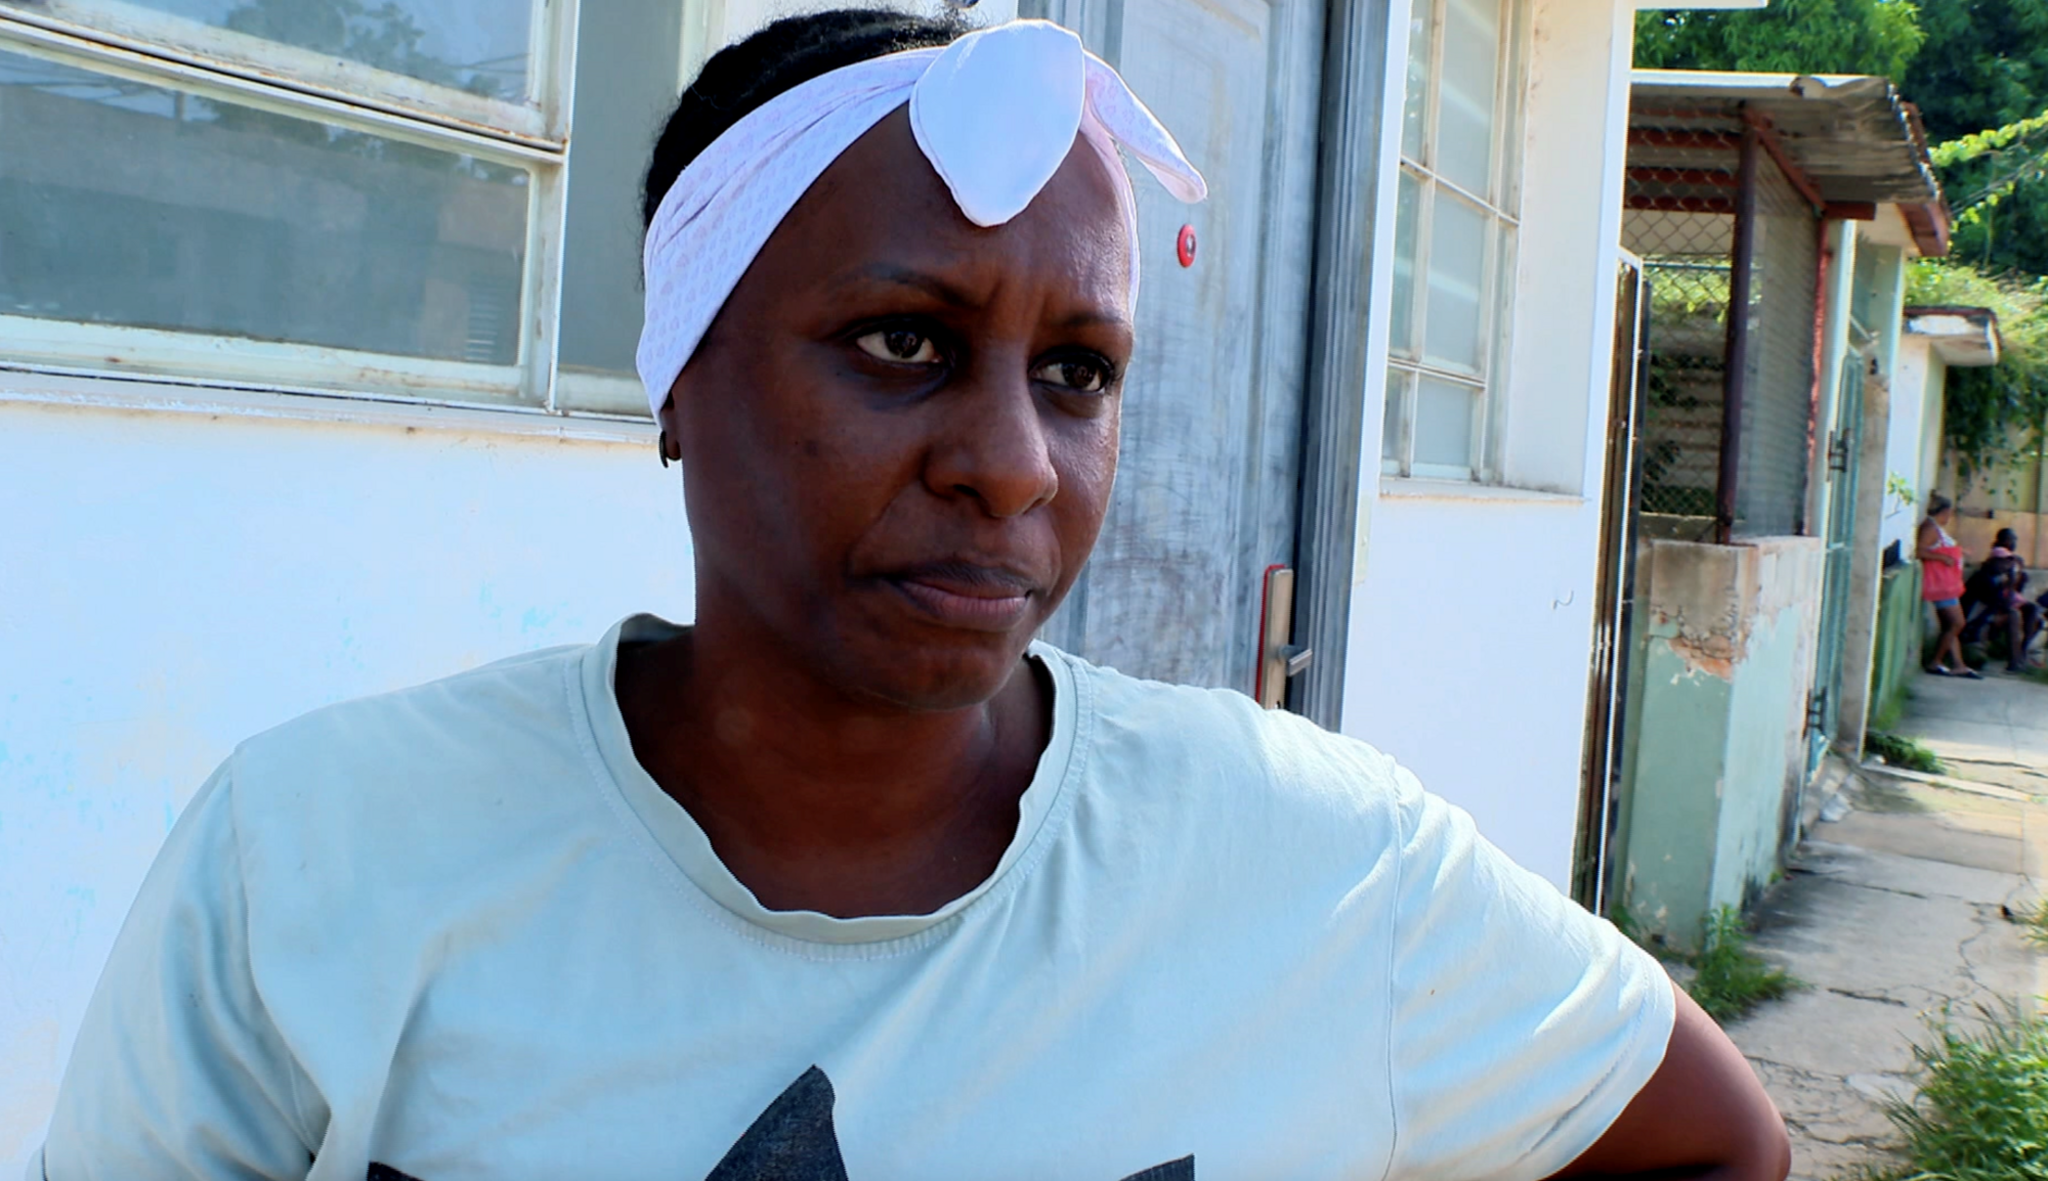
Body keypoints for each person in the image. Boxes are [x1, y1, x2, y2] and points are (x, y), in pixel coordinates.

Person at [36, 12, 1790, 1179]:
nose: (1012, 461)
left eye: (1079, 372)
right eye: (903, 342)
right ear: (677, 373)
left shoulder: (1317, 870)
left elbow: (1723, 1142)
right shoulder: (319, 856)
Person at [1962, 527, 2041, 671]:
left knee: (2033, 610)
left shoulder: (2006, 571)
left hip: (1998, 609)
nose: (2007, 565)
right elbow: (1998, 601)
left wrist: (2017, 580)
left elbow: (2013, 596)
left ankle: (2021, 653)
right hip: (1981, 617)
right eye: (2004, 562)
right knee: (2012, 615)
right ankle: (2014, 661)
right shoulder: (1986, 575)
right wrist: (2010, 581)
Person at [1919, 493, 1976, 678]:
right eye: (1949, 513)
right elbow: (1920, 550)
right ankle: (1936, 661)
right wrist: (1943, 558)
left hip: (1947, 585)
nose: (1949, 517)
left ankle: (1958, 664)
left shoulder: (1935, 528)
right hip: (1941, 585)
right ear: (1943, 511)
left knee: (1950, 625)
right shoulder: (1929, 528)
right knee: (1957, 623)